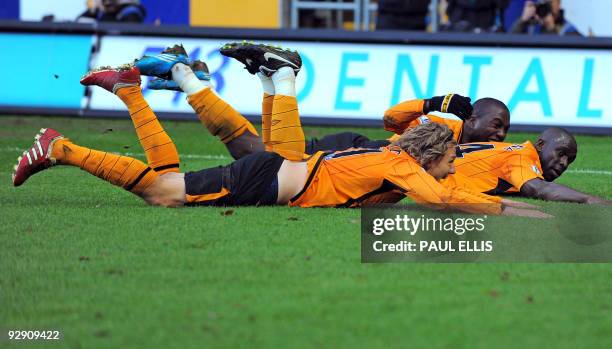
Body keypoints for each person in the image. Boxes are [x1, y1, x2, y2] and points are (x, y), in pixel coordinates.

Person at [11, 45, 546, 217]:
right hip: (273, 180)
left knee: (186, 175)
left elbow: (438, 187)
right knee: (163, 191)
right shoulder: (402, 163)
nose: (456, 163)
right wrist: (528, 212)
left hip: (284, 174)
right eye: (450, 156)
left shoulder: (398, 161)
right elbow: (445, 198)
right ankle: (78, 131)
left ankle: (164, 81)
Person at [147, 43, 511, 160]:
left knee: (257, 156)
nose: (500, 135)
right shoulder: (446, 129)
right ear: (473, 117)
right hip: (360, 150)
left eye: (505, 130)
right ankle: (201, 80)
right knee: (264, 160)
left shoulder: (472, 147)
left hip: (360, 152)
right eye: (497, 125)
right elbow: (390, 118)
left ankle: (204, 80)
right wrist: (434, 102)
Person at [77, 0, 146, 23]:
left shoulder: (131, 12)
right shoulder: (100, 10)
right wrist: (93, 10)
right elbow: (79, 22)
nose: (108, 3)